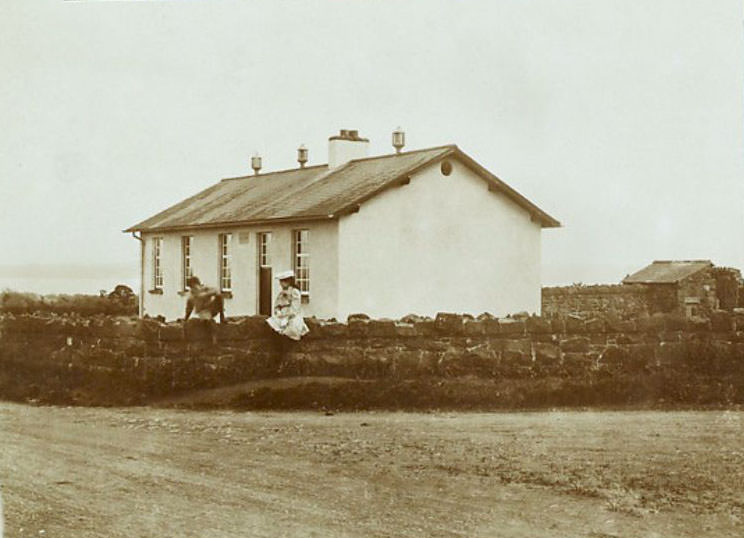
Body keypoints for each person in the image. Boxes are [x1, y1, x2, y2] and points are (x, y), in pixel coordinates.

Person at [266, 270, 309, 341]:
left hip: (292, 317)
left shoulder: (294, 292)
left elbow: (295, 308)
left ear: (288, 282)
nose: (280, 284)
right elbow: (277, 305)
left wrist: (286, 316)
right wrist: (278, 311)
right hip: (281, 316)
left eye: (282, 282)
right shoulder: (282, 293)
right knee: (271, 325)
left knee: (290, 330)